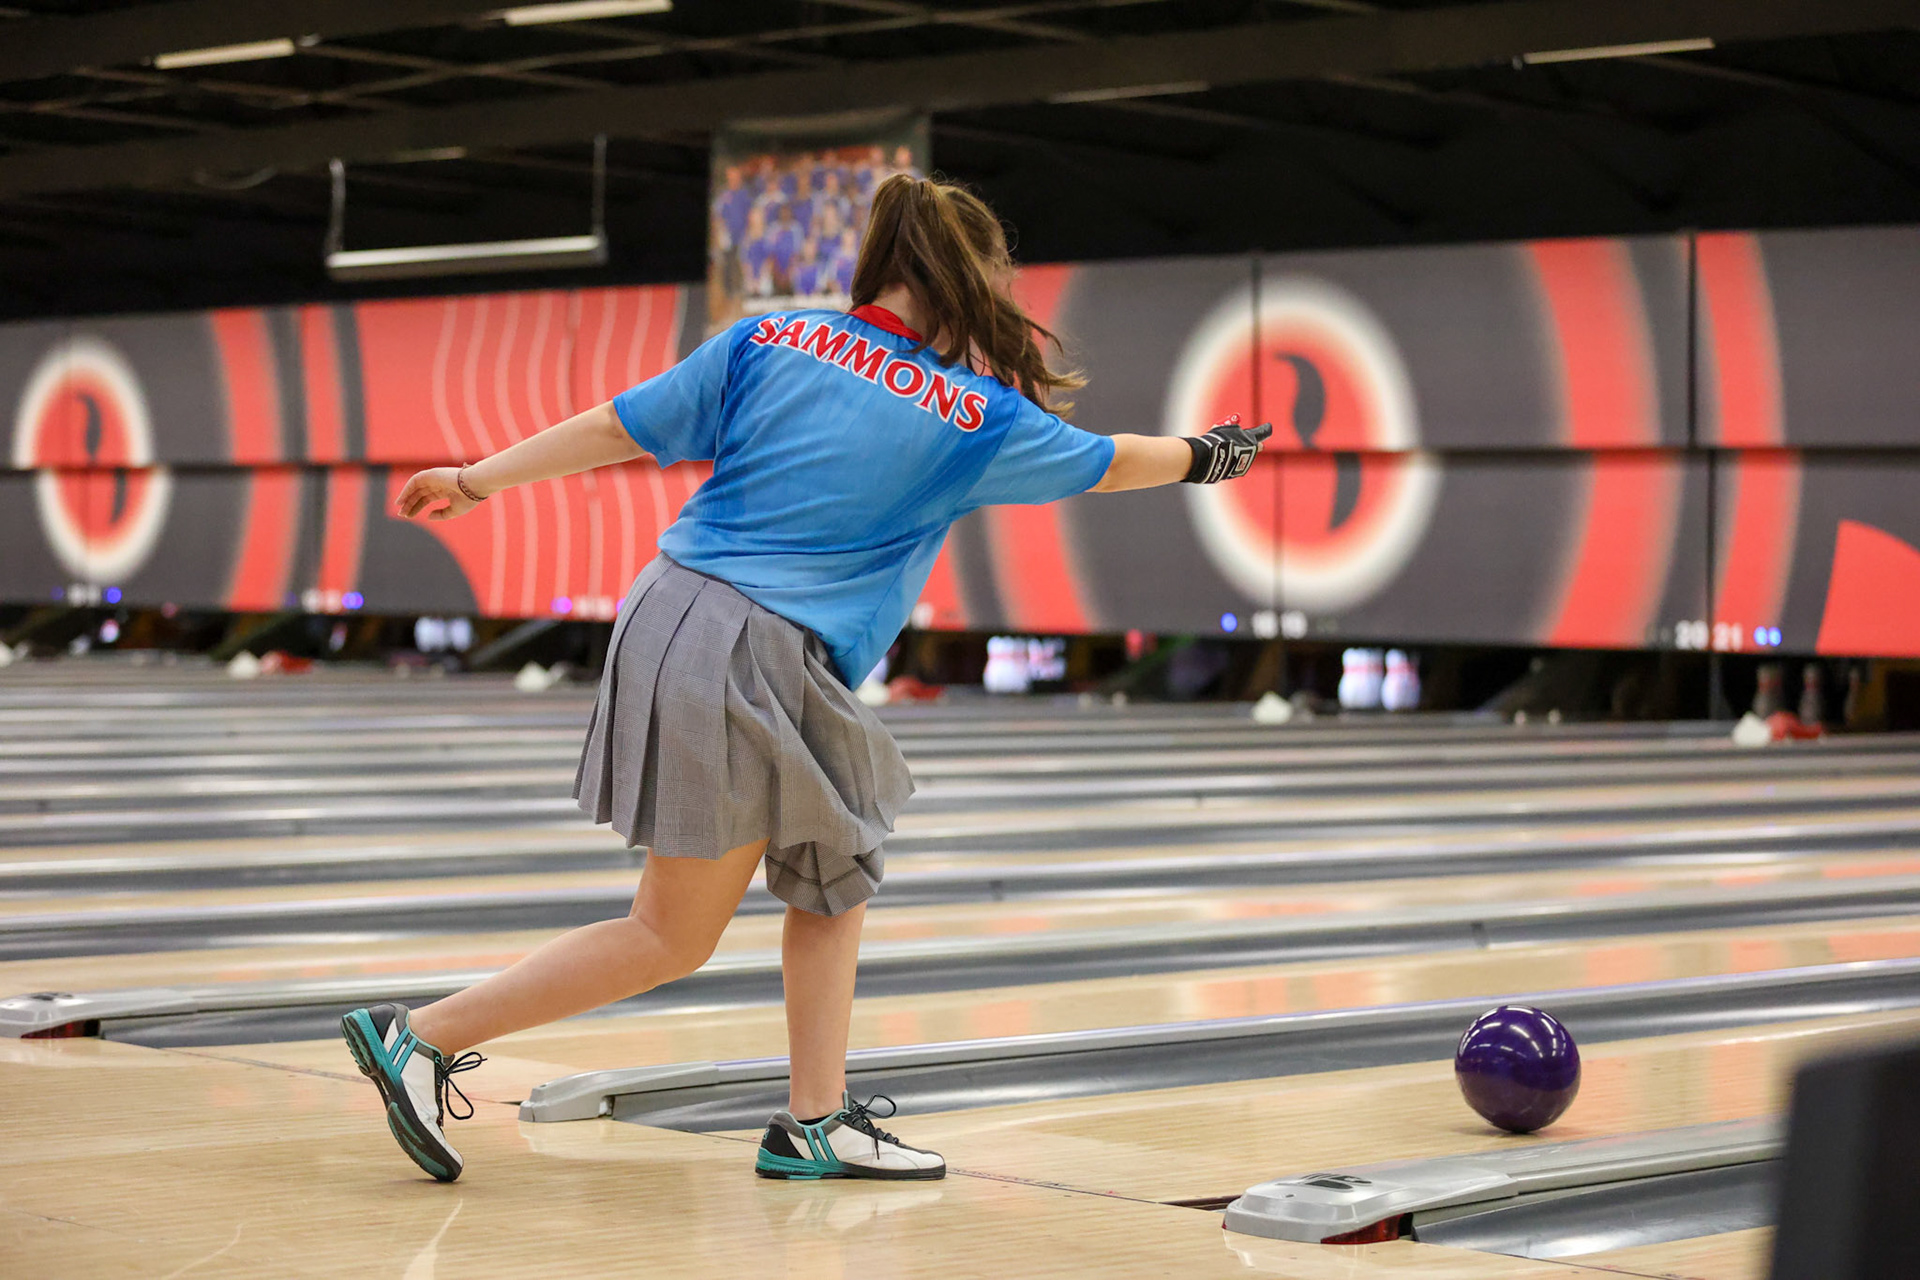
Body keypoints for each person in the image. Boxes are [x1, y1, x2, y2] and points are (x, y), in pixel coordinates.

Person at [341, 174, 1271, 1187]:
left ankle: (812, 1121)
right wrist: (1209, 455)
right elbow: (1113, 461)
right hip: (755, 647)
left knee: (800, 880)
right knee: (724, 911)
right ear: (968, 280)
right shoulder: (973, 412)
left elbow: (617, 425)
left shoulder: (770, 340)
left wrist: (478, 479)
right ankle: (423, 1037)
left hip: (671, 611)